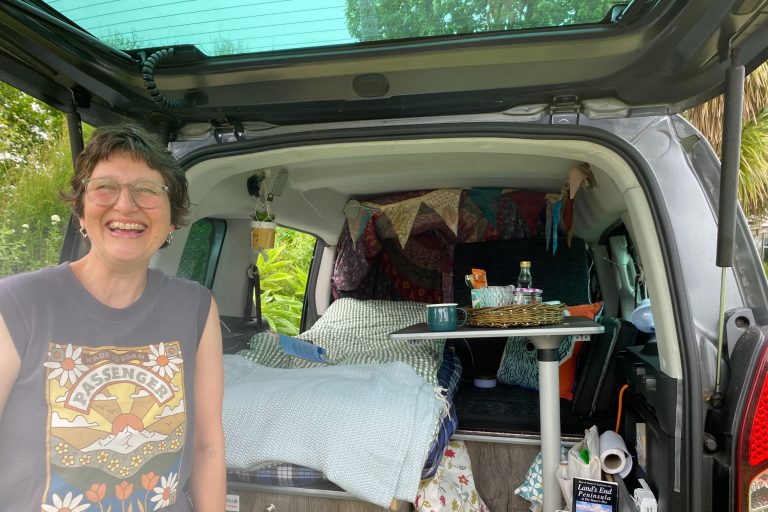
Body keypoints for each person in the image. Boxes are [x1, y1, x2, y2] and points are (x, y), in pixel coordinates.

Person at [0, 124, 225, 511]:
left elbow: (207, 447)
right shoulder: (17, 303)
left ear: (172, 222)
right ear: (81, 212)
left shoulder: (196, 307)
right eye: (105, 187)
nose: (125, 205)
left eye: (147, 190)